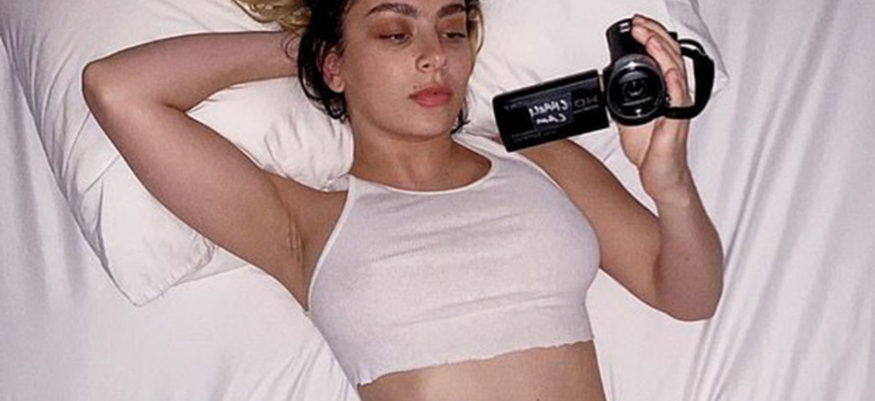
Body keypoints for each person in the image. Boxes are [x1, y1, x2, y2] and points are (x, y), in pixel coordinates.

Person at [82, 0, 724, 399]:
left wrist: (668, 182)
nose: (433, 57)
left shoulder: (540, 159)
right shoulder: (306, 223)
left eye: (452, 30)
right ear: (334, 66)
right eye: (395, 33)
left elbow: (687, 296)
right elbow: (117, 89)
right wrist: (313, 49)